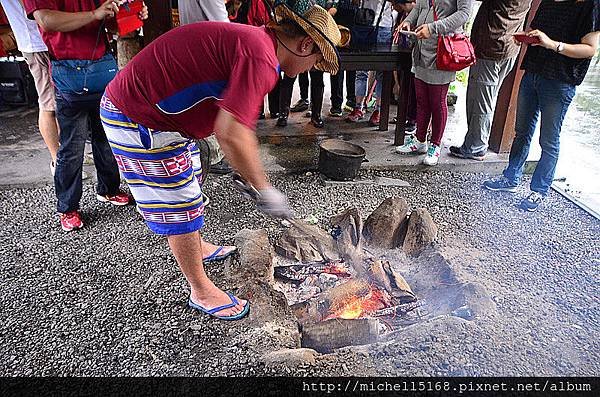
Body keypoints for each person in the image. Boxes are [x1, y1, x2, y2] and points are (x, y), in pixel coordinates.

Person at [100, 4, 341, 320]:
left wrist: (253, 177)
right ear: (305, 44)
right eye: (315, 60)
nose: (312, 67)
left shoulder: (257, 43)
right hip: (137, 116)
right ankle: (200, 290)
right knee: (181, 203)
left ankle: (196, 247)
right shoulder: (261, 57)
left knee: (193, 175)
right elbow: (231, 134)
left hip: (163, 117)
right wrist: (265, 189)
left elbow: (231, 125)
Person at [24, 0, 148, 231]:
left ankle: (109, 189)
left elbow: (110, 26)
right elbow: (46, 20)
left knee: (107, 136)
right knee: (72, 145)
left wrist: (131, 15)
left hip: (102, 66)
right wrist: (94, 13)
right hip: (68, 70)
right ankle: (67, 207)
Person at [483, 0, 599, 212]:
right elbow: (540, 35)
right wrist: (528, 39)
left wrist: (552, 44)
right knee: (522, 131)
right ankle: (511, 177)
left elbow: (590, 49)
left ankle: (539, 190)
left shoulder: (591, 5)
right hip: (533, 71)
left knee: (549, 139)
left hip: (561, 80)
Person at [449, 0, 533, 161]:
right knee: (487, 98)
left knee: (481, 101)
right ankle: (474, 143)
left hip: (491, 47)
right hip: (509, 47)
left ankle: (476, 146)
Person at [395, 0, 473, 166]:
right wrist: (408, 20)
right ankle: (420, 140)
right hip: (421, 47)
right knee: (422, 100)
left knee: (437, 101)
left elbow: (464, 14)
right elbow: (419, 7)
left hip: (442, 49)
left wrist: (432, 28)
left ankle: (435, 145)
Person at [1, 0, 59, 174]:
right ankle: (57, 161)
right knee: (48, 104)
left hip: (43, 39)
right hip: (37, 42)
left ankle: (64, 153)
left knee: (58, 101)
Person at [179, 0, 234, 175]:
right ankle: (213, 156)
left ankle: (203, 151)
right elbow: (223, 25)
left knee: (198, 100)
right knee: (209, 102)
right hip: (207, 50)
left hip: (191, 45)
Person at [276, 0, 330, 128]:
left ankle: (316, 114)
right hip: (297, 42)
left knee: (317, 80)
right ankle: (283, 113)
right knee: (289, 78)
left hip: (316, 44)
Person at [345, 0, 396, 126]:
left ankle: (378, 110)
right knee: (361, 70)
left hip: (384, 26)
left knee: (381, 73)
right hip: (364, 23)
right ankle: (358, 108)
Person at [328, 0, 358, 116]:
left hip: (355, 27)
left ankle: (351, 101)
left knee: (353, 67)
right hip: (337, 26)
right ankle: (336, 104)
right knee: (336, 66)